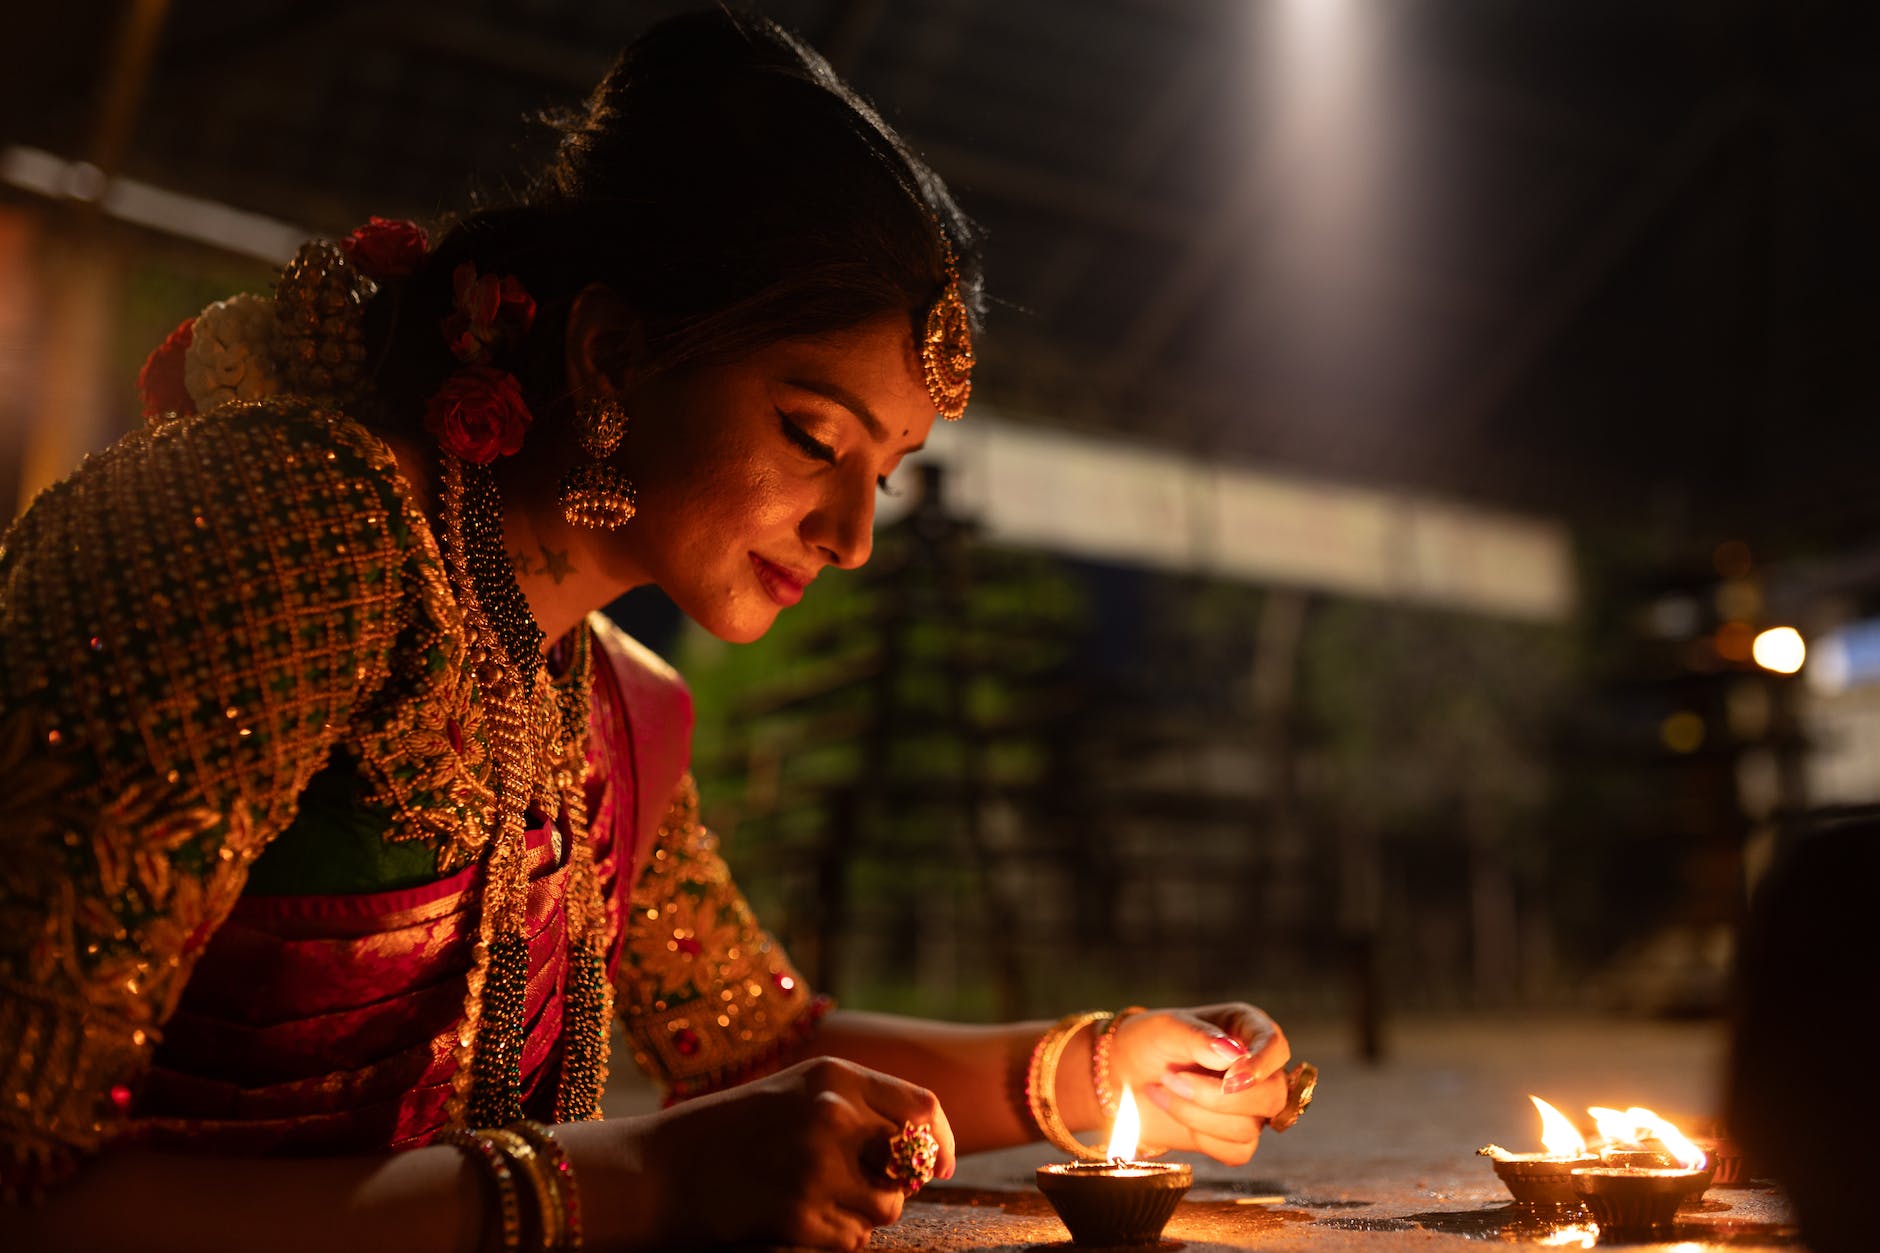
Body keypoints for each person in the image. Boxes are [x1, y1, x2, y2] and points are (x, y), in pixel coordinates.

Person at [0, 10, 1297, 1250]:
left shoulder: (604, 696)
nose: (851, 535)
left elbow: (761, 1051)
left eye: (885, 474)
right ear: (615, 353)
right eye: (812, 437)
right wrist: (625, 1184)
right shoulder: (281, 535)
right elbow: (21, 1177)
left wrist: (1100, 1065)